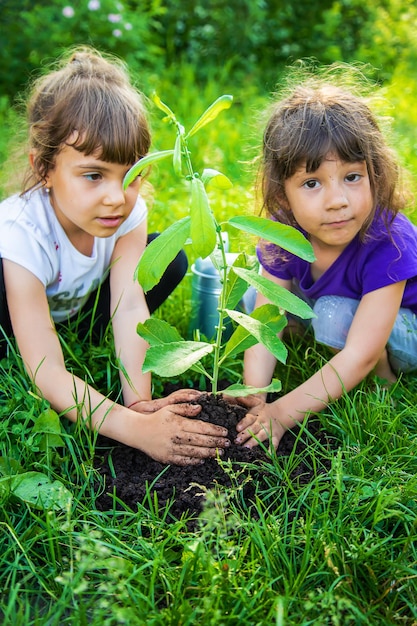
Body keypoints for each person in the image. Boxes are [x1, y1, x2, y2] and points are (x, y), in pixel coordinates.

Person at [0, 47, 230, 465]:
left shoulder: (127, 214)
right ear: (44, 168)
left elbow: (127, 307)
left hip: (76, 310)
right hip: (14, 317)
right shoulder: (21, 232)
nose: (115, 198)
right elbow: (45, 368)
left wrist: (139, 403)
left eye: (131, 175)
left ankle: (86, 342)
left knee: (168, 258)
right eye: (93, 175)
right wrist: (134, 430)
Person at [235, 68, 417, 450]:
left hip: (404, 329)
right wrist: (255, 396)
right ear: (283, 197)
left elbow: (361, 351)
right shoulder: (283, 232)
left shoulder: (390, 239)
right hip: (336, 310)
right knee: (255, 300)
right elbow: (267, 322)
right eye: (312, 183)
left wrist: (282, 413)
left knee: (334, 315)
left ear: (376, 175)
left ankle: (382, 388)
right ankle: (329, 361)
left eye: (352, 177)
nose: (337, 200)